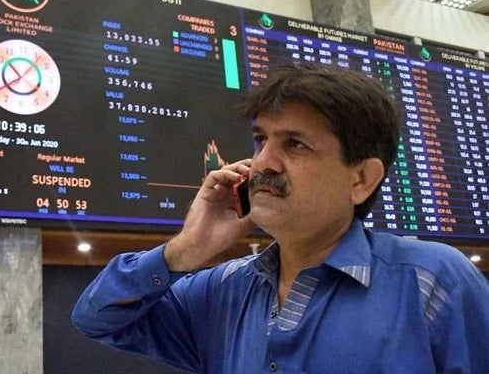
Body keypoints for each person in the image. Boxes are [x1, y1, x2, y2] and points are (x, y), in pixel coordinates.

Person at [71, 62, 489, 373]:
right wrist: (183, 252)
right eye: (260, 140)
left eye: (296, 144)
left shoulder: (432, 283)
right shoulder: (223, 289)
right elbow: (97, 319)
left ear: (361, 178)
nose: (262, 163)